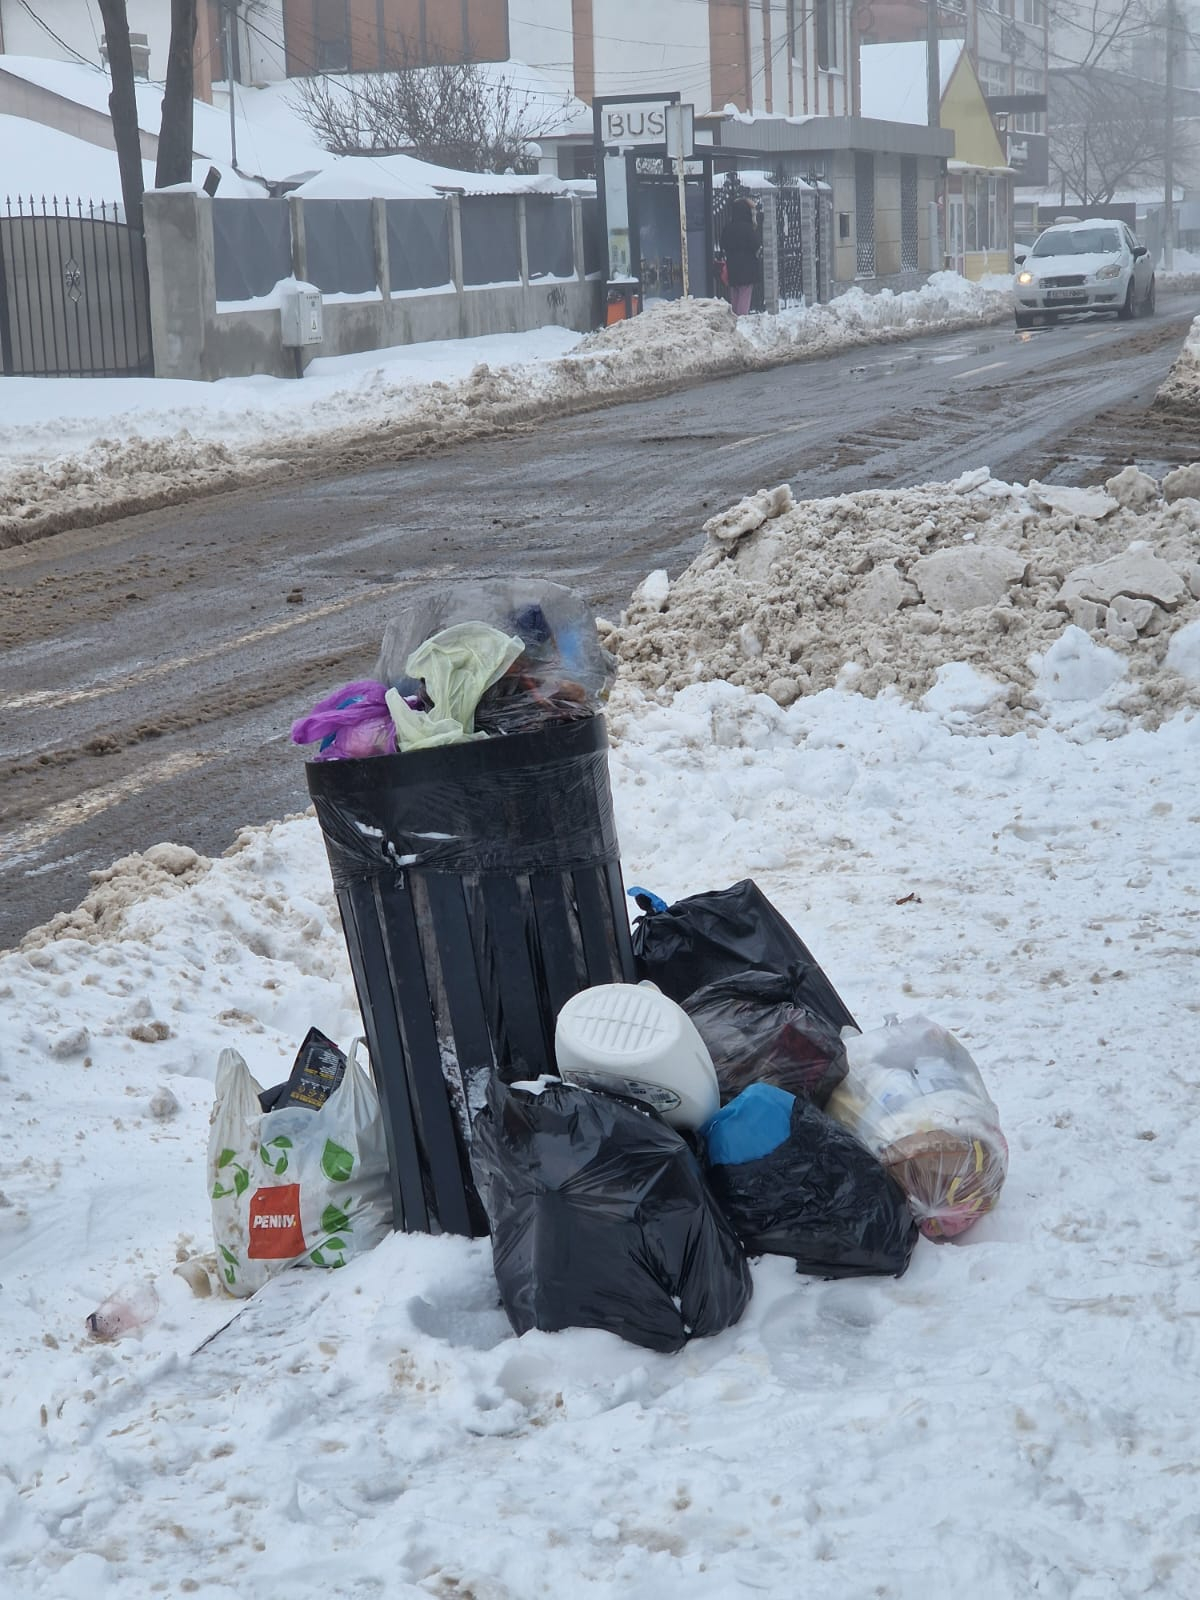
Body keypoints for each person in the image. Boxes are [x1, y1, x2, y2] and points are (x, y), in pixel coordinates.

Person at [720, 196, 761, 317]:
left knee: (735, 294)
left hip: (732, 266)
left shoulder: (728, 227)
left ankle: (735, 317)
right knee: (745, 294)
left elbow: (723, 243)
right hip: (747, 267)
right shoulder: (748, 228)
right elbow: (756, 245)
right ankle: (742, 319)